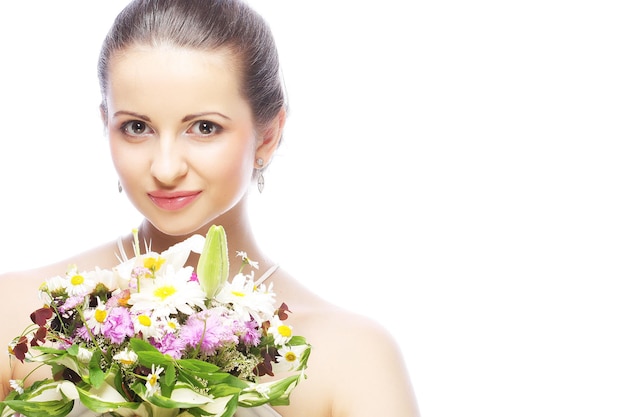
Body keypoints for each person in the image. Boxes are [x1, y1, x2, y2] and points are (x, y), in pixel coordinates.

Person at [0, 1, 419, 416]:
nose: (165, 168)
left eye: (204, 128)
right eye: (137, 127)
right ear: (105, 123)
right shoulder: (16, 314)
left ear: (268, 136)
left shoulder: (353, 359)